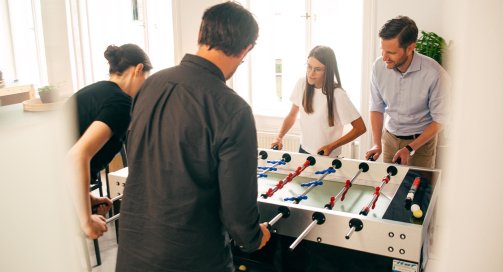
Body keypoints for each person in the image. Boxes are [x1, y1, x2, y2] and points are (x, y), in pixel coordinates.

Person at [115, 2, 271, 272]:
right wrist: (254, 238)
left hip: (132, 250)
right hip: (191, 258)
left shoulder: (150, 85)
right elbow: (237, 210)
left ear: (202, 34)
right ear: (247, 49)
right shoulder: (233, 109)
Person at [67, 43, 152, 239]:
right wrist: (85, 220)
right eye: (145, 79)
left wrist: (88, 199)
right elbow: (77, 155)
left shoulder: (96, 91)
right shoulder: (120, 103)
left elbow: (66, 148)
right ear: (138, 69)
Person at [365, 16, 449, 168]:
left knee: (418, 189)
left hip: (421, 142)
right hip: (389, 138)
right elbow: (376, 107)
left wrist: (410, 148)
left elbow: (440, 119)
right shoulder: (378, 66)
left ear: (410, 48)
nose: (384, 57)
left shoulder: (434, 73)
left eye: (391, 52)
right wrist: (377, 143)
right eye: (382, 50)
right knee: (389, 188)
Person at [271, 45, 366, 157]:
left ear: (328, 71)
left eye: (317, 69)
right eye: (309, 67)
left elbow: (360, 128)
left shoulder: (338, 94)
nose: (311, 74)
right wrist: (279, 137)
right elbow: (292, 115)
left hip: (327, 155)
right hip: (303, 150)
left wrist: (331, 146)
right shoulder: (301, 84)